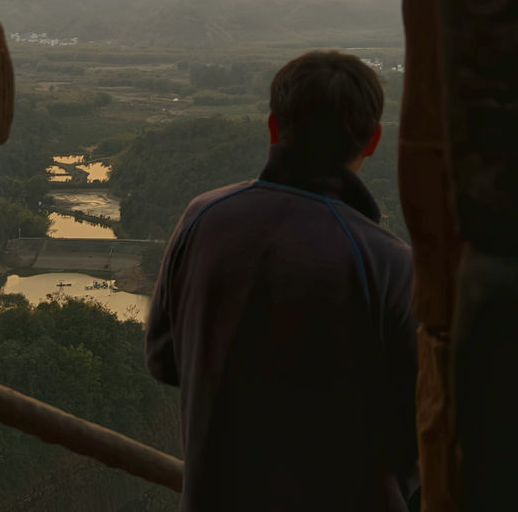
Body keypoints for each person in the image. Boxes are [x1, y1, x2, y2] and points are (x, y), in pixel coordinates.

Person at [145, 50, 419, 511]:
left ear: (274, 129)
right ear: (372, 141)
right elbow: (415, 431)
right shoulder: (387, 261)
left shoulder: (204, 217)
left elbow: (163, 360)